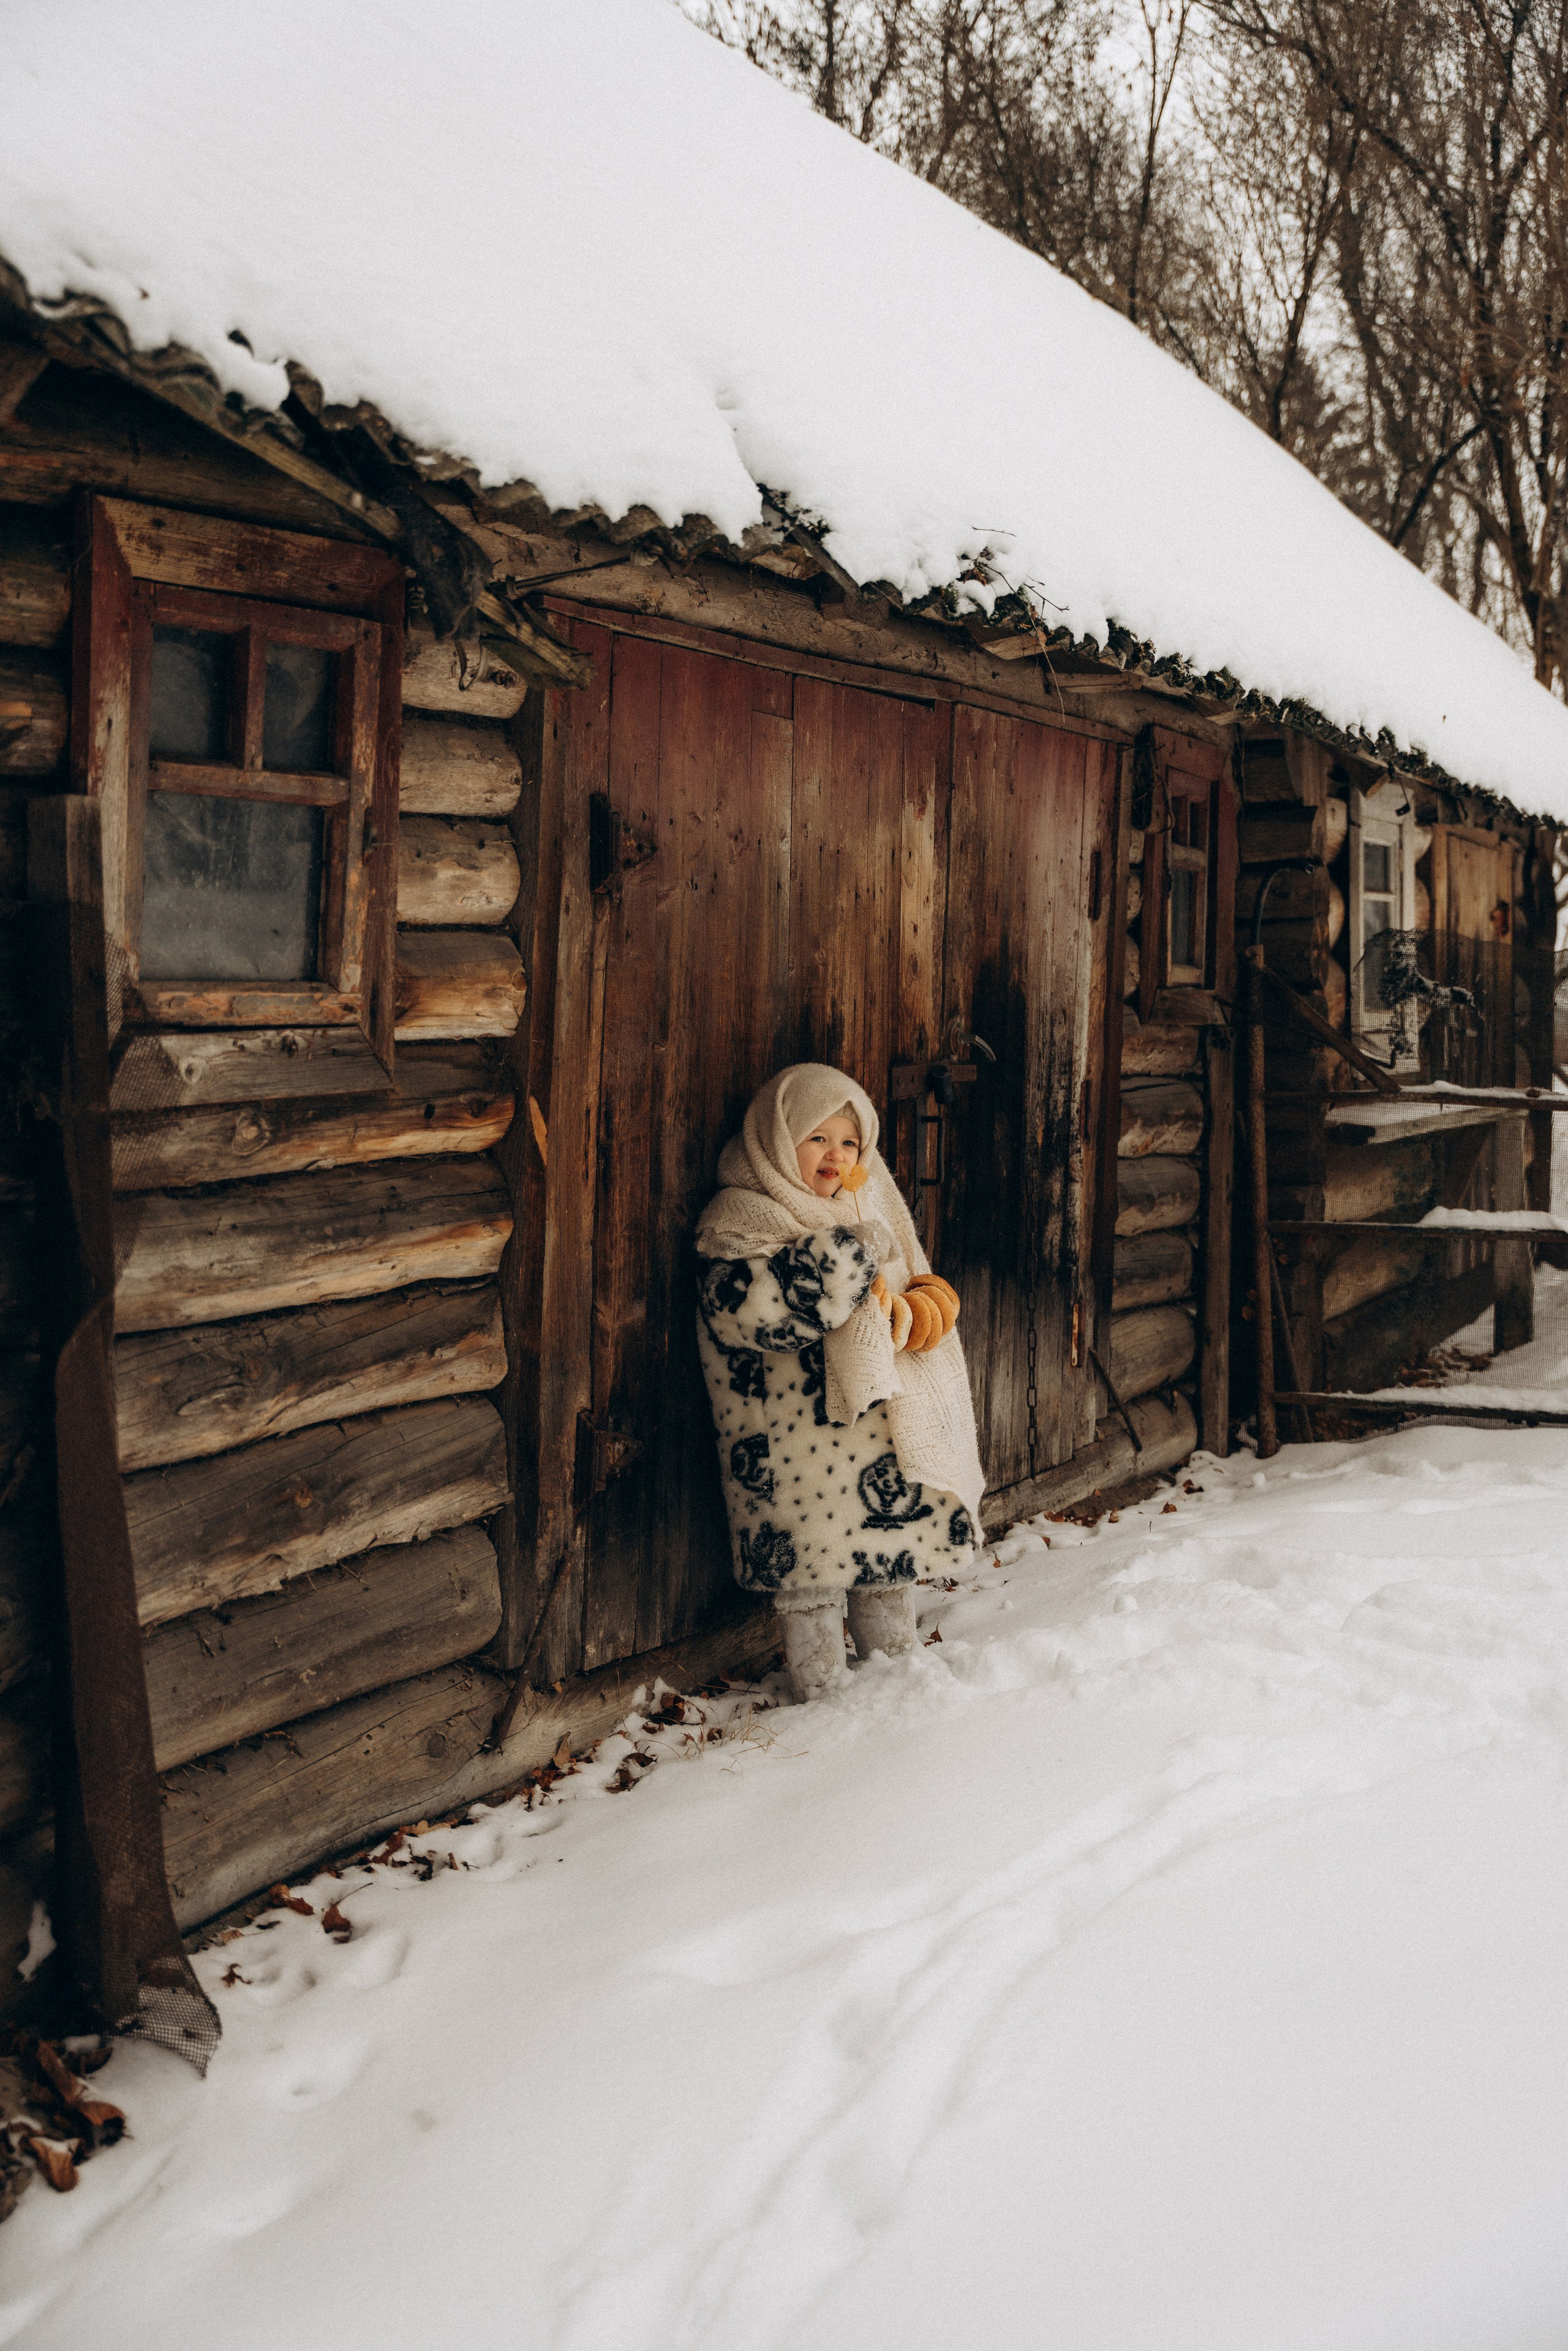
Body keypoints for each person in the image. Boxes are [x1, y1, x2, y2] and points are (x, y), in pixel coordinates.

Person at [694, 1063, 986, 1702]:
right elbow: (757, 1316)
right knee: (811, 1583)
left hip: (869, 1438)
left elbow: (897, 1288)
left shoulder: (867, 1206)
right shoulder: (740, 1220)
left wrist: (918, 1307)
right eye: (817, 1138)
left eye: (849, 1142)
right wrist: (845, 1253)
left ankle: (899, 1680)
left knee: (887, 1566)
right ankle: (825, 1700)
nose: (836, 1155)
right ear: (776, 1141)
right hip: (789, 1450)